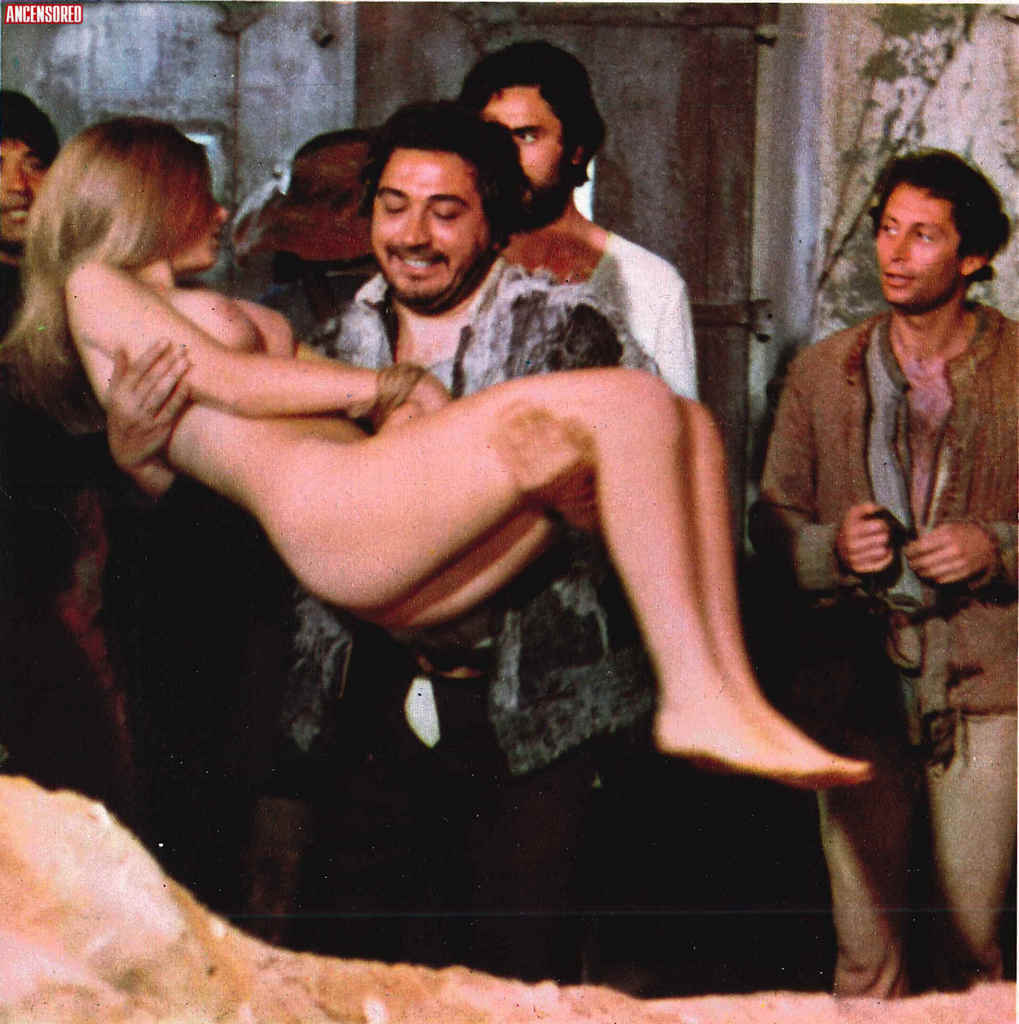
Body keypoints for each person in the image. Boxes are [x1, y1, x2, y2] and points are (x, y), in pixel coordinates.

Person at [751, 150, 1016, 996]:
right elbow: (769, 520)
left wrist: (995, 547)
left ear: (972, 257)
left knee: (970, 947)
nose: (894, 254)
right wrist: (828, 550)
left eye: (923, 236)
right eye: (886, 229)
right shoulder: (822, 371)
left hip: (986, 689)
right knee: (864, 954)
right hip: (855, 684)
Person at [0, 92, 133, 814]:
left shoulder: (90, 286)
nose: (17, 188)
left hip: (85, 557)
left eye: (34, 164)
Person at [458, 40, 697, 399]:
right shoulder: (448, 269)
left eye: (527, 136)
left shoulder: (651, 284)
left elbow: (677, 425)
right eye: (492, 135)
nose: (505, 155)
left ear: (576, 149)